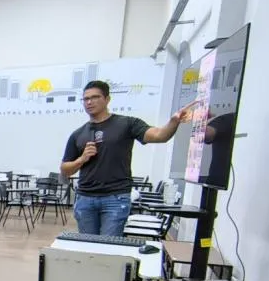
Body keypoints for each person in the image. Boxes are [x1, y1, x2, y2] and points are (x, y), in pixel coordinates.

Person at [61, 80, 188, 236]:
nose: (89, 102)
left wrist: (174, 121)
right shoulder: (78, 134)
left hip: (115, 198)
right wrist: (82, 159)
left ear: (107, 99)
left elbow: (160, 135)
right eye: (86, 99)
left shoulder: (127, 124)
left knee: (110, 247)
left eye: (95, 97)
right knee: (89, 249)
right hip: (85, 198)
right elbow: (65, 170)